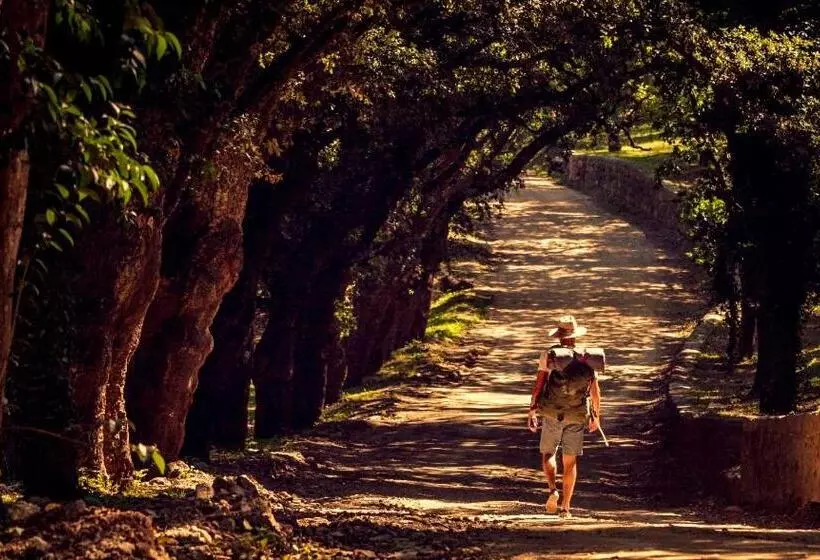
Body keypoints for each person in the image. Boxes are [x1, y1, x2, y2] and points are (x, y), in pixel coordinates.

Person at [527, 315, 602, 518]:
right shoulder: (587, 357)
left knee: (548, 453)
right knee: (571, 461)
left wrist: (532, 409)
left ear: (559, 336)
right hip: (577, 413)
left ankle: (553, 490)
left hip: (552, 411)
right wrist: (596, 416)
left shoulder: (550, 355)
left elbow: (539, 384)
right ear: (575, 336)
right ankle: (566, 508)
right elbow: (595, 390)